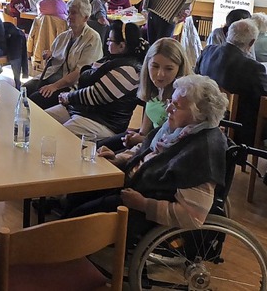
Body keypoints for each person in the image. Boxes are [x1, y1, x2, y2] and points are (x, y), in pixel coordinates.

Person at [68, 75, 228, 239]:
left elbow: (192, 217)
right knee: (75, 195)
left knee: (75, 220)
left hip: (142, 211)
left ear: (199, 114)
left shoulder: (202, 152)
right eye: (170, 102)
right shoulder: (176, 130)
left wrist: (144, 205)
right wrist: (119, 158)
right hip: (131, 185)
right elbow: (145, 150)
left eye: (176, 106)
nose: (168, 110)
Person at [46, 21, 147, 138]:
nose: (107, 43)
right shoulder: (112, 59)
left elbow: (96, 95)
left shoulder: (130, 69)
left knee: (57, 135)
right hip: (83, 111)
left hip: (103, 122)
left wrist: (68, 97)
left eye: (110, 41)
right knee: (44, 120)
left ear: (122, 45)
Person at [100, 37, 193, 153]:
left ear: (179, 69)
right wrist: (136, 138)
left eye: (169, 69)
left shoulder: (181, 98)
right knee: (98, 147)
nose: (160, 74)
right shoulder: (153, 89)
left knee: (109, 160)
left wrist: (141, 140)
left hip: (161, 149)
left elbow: (172, 142)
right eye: (155, 66)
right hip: (148, 139)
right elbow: (144, 131)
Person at [195, 19, 267, 145]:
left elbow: (196, 76)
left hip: (202, 119)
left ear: (228, 33)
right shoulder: (254, 68)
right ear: (251, 42)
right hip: (238, 130)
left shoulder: (208, 51)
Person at [23, 0, 103, 109]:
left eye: (74, 13)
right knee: (23, 91)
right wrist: (50, 54)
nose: (69, 16)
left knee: (34, 101)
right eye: (68, 12)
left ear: (85, 17)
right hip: (50, 77)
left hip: (70, 86)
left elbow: (80, 72)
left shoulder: (92, 39)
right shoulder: (63, 37)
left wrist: (54, 87)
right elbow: (58, 55)